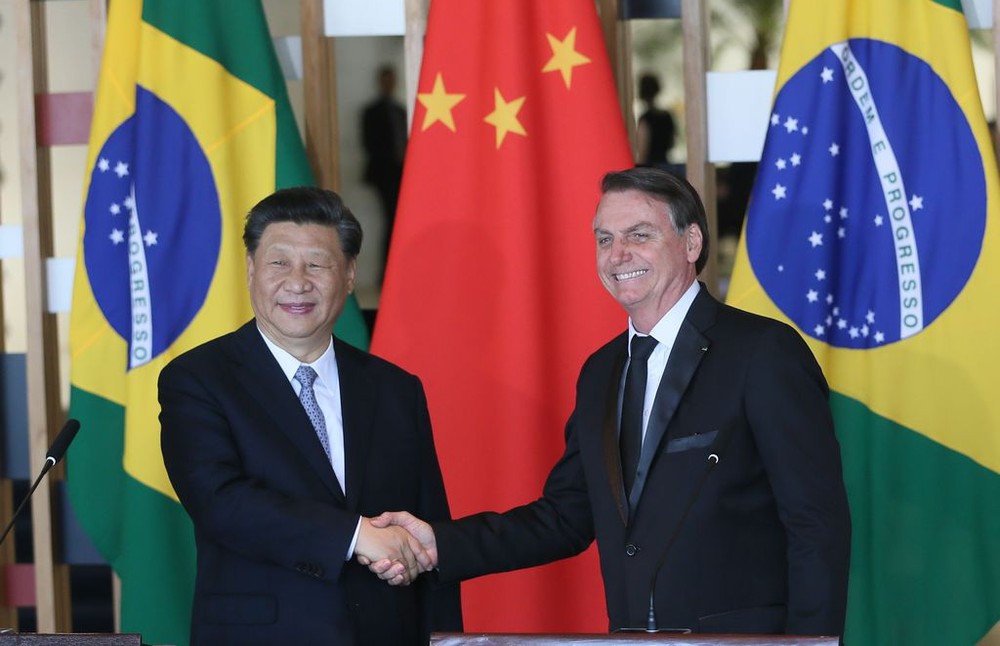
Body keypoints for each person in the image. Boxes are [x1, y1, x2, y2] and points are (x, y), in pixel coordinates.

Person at [366, 168, 852, 637]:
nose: (618, 254)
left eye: (638, 235)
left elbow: (816, 525)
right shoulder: (601, 371)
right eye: (604, 239)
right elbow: (567, 516)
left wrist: (808, 644)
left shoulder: (762, 353)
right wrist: (439, 543)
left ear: (692, 243)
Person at [159, 186, 461, 645]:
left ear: (348, 275)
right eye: (279, 262)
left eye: (317, 264)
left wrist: (445, 639)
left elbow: (429, 533)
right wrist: (356, 535)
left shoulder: (396, 388)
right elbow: (220, 502)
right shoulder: (198, 379)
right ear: (251, 269)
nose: (297, 282)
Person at [361, 64, 408, 275]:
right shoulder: (371, 112)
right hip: (383, 173)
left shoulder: (400, 110)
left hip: (401, 174)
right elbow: (369, 143)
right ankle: (387, 271)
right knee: (390, 219)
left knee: (399, 220)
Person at [635, 73, 677, 171]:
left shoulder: (645, 118)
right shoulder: (667, 116)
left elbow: (642, 151)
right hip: (666, 165)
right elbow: (673, 142)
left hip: (651, 169)